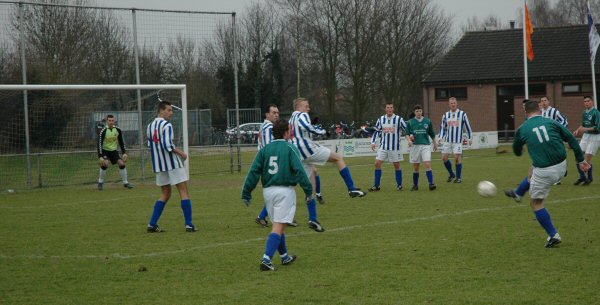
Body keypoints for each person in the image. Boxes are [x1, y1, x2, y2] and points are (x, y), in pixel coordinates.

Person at [511, 99, 588, 248]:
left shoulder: (522, 129)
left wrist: (520, 148)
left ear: (526, 112)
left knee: (536, 203)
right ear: (539, 110)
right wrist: (580, 160)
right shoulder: (551, 122)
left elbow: (516, 151)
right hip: (562, 166)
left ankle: (554, 235)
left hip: (545, 172)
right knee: (532, 169)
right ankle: (518, 194)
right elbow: (571, 138)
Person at [242, 120, 313, 271]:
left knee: (278, 224)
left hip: (268, 191)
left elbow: (254, 172)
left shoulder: (265, 150)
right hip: (284, 191)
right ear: (286, 132)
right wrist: (308, 190)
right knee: (279, 226)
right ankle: (266, 259)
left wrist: (246, 192)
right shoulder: (289, 147)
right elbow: (300, 170)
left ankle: (284, 257)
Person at [289, 97, 366, 232]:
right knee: (338, 158)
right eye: (306, 106)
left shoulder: (291, 118)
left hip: (298, 154)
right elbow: (306, 126)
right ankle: (352, 188)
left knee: (310, 187)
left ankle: (313, 218)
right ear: (299, 106)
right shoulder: (302, 114)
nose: (308, 109)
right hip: (308, 149)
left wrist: (314, 128)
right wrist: (323, 131)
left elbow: (302, 130)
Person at [146, 101, 197, 233]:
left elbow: (150, 147)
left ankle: (152, 223)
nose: (171, 113)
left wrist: (156, 161)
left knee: (166, 193)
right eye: (168, 110)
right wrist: (182, 154)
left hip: (159, 166)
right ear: (161, 111)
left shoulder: (150, 126)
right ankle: (189, 224)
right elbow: (167, 145)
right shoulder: (167, 125)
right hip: (173, 164)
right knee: (184, 192)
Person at [505, 97, 570, 201]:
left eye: (545, 100)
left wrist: (557, 131)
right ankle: (518, 193)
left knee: (537, 173)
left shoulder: (552, 112)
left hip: (552, 145)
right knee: (532, 172)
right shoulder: (531, 118)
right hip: (544, 148)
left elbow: (564, 121)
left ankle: (519, 193)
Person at [254, 104, 299, 228]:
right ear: (267, 115)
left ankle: (263, 216)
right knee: (285, 188)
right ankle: (286, 218)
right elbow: (271, 146)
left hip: (266, 163)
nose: (276, 115)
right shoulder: (269, 127)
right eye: (273, 113)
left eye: (277, 113)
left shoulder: (263, 126)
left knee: (275, 190)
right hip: (273, 162)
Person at [369, 102, 407, 191]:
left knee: (396, 165)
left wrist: (411, 137)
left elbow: (407, 129)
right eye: (388, 107)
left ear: (393, 109)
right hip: (383, 146)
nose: (389, 109)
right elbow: (377, 131)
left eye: (391, 107)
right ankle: (376, 186)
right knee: (377, 164)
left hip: (394, 147)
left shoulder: (399, 119)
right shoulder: (381, 119)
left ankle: (399, 185)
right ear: (385, 109)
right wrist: (373, 142)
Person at [439, 97, 472, 183]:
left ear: (456, 104)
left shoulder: (462, 114)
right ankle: (452, 174)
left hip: (457, 141)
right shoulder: (445, 115)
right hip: (448, 140)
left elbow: (468, 126)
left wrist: (470, 137)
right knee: (444, 158)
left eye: (454, 103)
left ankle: (458, 178)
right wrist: (440, 137)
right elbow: (443, 128)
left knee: (457, 158)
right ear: (449, 105)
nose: (453, 104)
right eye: (451, 103)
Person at [405, 104, 437, 191]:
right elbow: (407, 134)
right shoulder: (410, 122)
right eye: (416, 111)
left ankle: (431, 184)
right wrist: (409, 140)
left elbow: (432, 133)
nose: (418, 113)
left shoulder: (427, 121)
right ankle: (415, 185)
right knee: (416, 167)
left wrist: (435, 143)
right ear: (414, 112)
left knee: (427, 164)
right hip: (415, 146)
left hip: (425, 145)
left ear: (422, 112)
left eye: (420, 111)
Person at [97, 114, 133, 190]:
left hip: (114, 151)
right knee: (105, 164)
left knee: (122, 164)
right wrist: (100, 156)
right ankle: (100, 182)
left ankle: (125, 183)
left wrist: (124, 153)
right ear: (107, 121)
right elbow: (99, 143)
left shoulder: (117, 129)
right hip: (105, 151)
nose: (111, 122)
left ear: (114, 121)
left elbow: (121, 141)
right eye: (109, 120)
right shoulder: (103, 131)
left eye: (112, 120)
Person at [573, 96, 600, 185]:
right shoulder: (584, 112)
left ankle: (590, 178)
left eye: (588, 101)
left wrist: (585, 129)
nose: (586, 103)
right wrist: (578, 130)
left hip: (594, 137)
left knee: (587, 160)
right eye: (585, 101)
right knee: (578, 157)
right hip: (586, 136)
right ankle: (582, 177)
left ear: (592, 102)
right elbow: (583, 125)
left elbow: (597, 128)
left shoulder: (596, 113)